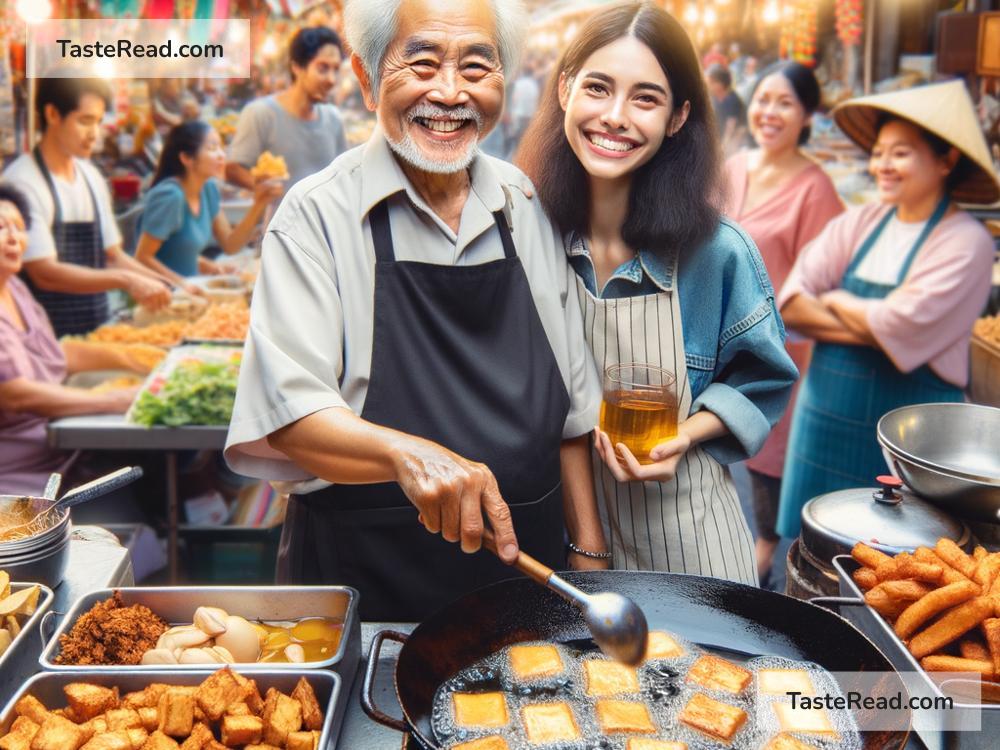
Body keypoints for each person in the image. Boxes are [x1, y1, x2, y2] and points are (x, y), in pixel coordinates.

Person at [224, 0, 603, 621]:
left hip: (528, 588)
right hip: (369, 592)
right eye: (421, 63)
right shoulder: (316, 214)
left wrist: (589, 557)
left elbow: (572, 412)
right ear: (367, 77)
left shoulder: (523, 202)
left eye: (477, 67)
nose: (450, 93)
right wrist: (411, 455)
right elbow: (291, 413)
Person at [516, 2, 797, 584]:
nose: (615, 117)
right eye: (598, 87)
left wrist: (684, 432)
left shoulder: (717, 251)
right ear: (565, 89)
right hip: (565, 538)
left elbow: (763, 378)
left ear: (677, 117)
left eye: (645, 98)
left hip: (692, 539)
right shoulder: (532, 238)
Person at [775, 80, 999, 539]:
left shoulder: (965, 243)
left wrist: (836, 300)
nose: (882, 165)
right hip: (823, 424)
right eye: (879, 152)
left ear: (945, 160)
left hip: (911, 443)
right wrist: (875, 323)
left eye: (900, 153)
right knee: (809, 548)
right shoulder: (859, 221)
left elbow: (898, 323)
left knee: (898, 563)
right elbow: (792, 305)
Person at [723, 62, 843, 581]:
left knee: (769, 455)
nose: (769, 112)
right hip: (722, 340)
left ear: (807, 115)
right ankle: (731, 543)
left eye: (785, 103)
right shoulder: (734, 166)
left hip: (783, 348)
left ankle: (765, 552)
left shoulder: (816, 190)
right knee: (720, 444)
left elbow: (824, 283)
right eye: (763, 99)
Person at [0, 183, 145, 496]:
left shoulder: (14, 288)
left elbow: (57, 354)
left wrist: (142, 359)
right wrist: (114, 400)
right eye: (1, 227)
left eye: (20, 228)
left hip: (58, 449)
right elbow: (15, 395)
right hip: (17, 471)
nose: (14, 237)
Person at [3, 77, 171, 336]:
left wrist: (168, 287)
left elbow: (112, 256)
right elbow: (44, 273)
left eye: (98, 122)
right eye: (85, 121)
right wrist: (127, 281)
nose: (95, 134)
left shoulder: (91, 175)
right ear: (52, 114)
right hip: (46, 341)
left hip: (98, 330)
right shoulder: (24, 181)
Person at [134, 122, 283, 282]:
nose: (221, 155)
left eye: (221, 148)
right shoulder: (170, 196)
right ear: (186, 158)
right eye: (212, 149)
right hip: (161, 296)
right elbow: (143, 258)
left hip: (191, 289)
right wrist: (185, 286)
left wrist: (259, 203)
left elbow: (230, 244)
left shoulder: (208, 189)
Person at [226, 27, 348, 189]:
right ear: (297, 67)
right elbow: (233, 169)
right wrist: (263, 189)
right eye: (322, 68)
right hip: (276, 214)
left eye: (336, 69)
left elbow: (343, 175)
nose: (332, 79)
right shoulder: (260, 113)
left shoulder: (333, 119)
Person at [706, 64, 746, 158]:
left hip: (734, 143)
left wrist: (723, 147)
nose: (707, 86)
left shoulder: (732, 100)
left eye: (710, 83)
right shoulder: (715, 98)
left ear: (719, 84)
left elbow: (731, 127)